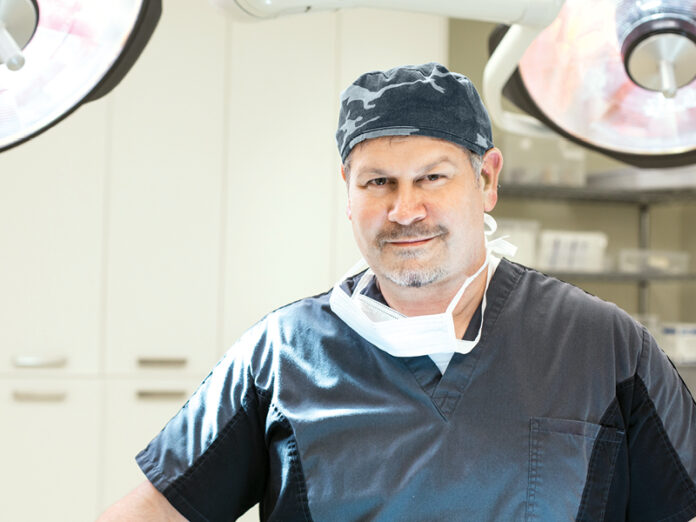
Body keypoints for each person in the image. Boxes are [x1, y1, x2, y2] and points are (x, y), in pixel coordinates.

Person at [98, 62, 696, 521]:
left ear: (487, 179)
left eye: (432, 177)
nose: (405, 210)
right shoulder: (281, 355)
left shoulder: (603, 346)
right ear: (347, 190)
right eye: (378, 182)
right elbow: (157, 509)